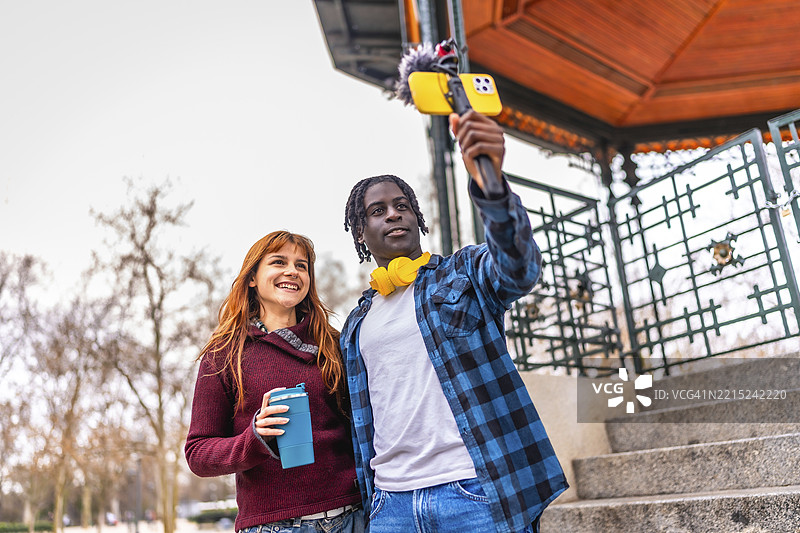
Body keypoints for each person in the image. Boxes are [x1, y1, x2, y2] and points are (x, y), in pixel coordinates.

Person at [341, 110, 568, 533]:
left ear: (417, 218)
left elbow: (519, 267)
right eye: (378, 210)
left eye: (403, 206)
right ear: (360, 233)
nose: (394, 214)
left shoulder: (463, 272)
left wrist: (491, 186)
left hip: (475, 493)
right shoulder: (356, 324)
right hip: (390, 506)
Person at [185, 231, 363, 533]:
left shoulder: (335, 344)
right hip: (272, 525)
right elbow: (198, 453)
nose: (292, 271)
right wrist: (254, 438)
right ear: (252, 278)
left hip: (350, 518)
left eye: (301, 265)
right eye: (279, 262)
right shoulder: (224, 354)